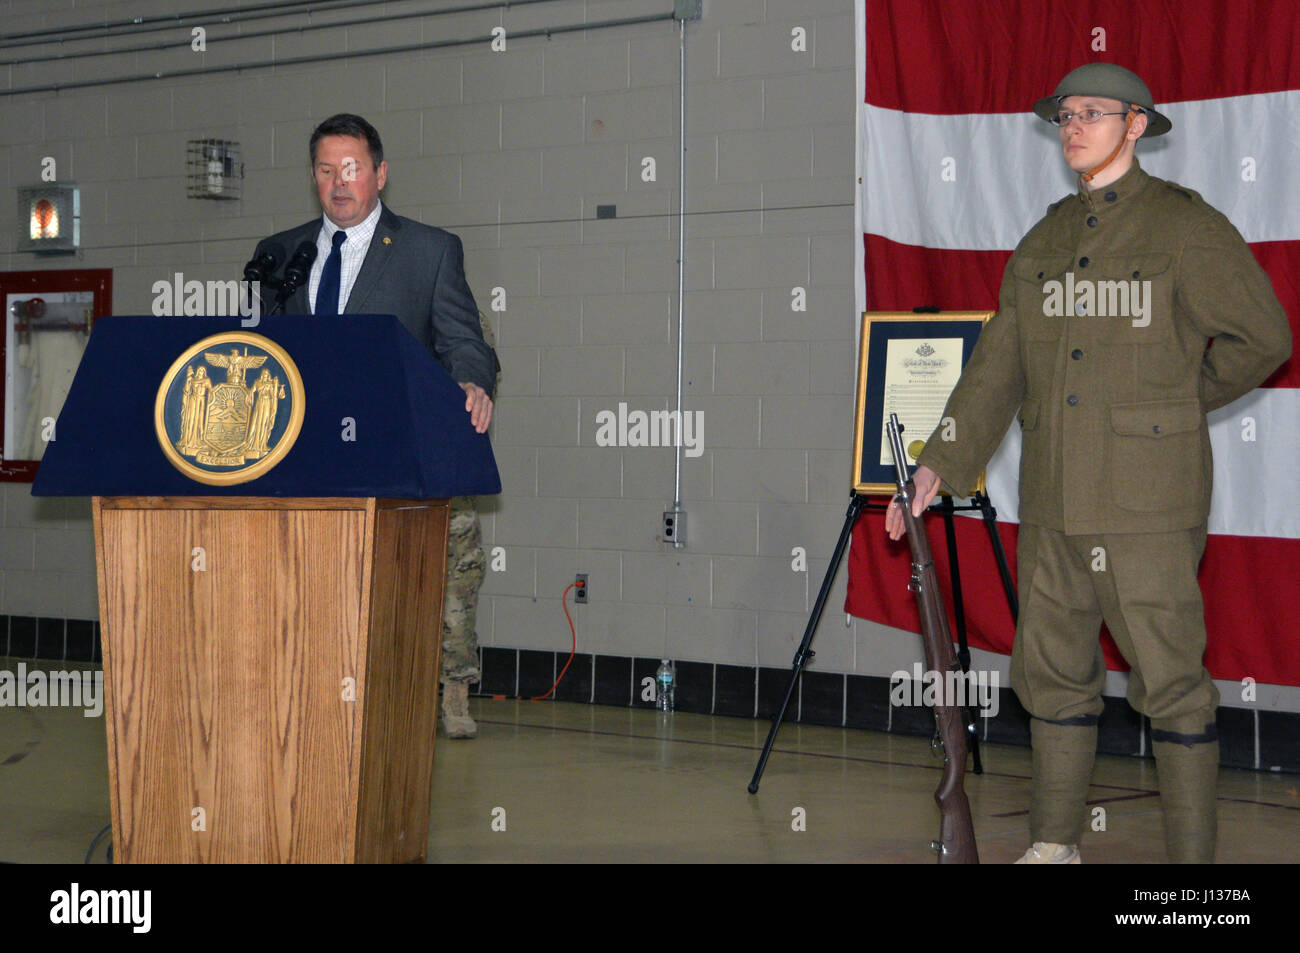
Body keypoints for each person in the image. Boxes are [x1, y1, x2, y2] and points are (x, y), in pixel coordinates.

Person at [885, 63, 1291, 863]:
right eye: (1065, 114)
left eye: (1093, 113)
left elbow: (1265, 337)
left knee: (1172, 685)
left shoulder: (1185, 228)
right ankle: (1054, 844)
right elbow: (999, 362)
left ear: (1136, 125)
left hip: (1147, 504)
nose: (1073, 126)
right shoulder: (1045, 239)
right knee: (1051, 676)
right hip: (1053, 504)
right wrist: (939, 461)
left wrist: (1174, 402)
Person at [250, 113, 497, 738]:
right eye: (327, 171)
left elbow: (465, 340)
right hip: (311, 448)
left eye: (353, 169)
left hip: (400, 440)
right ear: (314, 177)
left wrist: (471, 382)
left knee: (433, 567)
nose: (340, 183)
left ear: (379, 175)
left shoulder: (428, 250)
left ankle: (449, 689)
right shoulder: (282, 253)